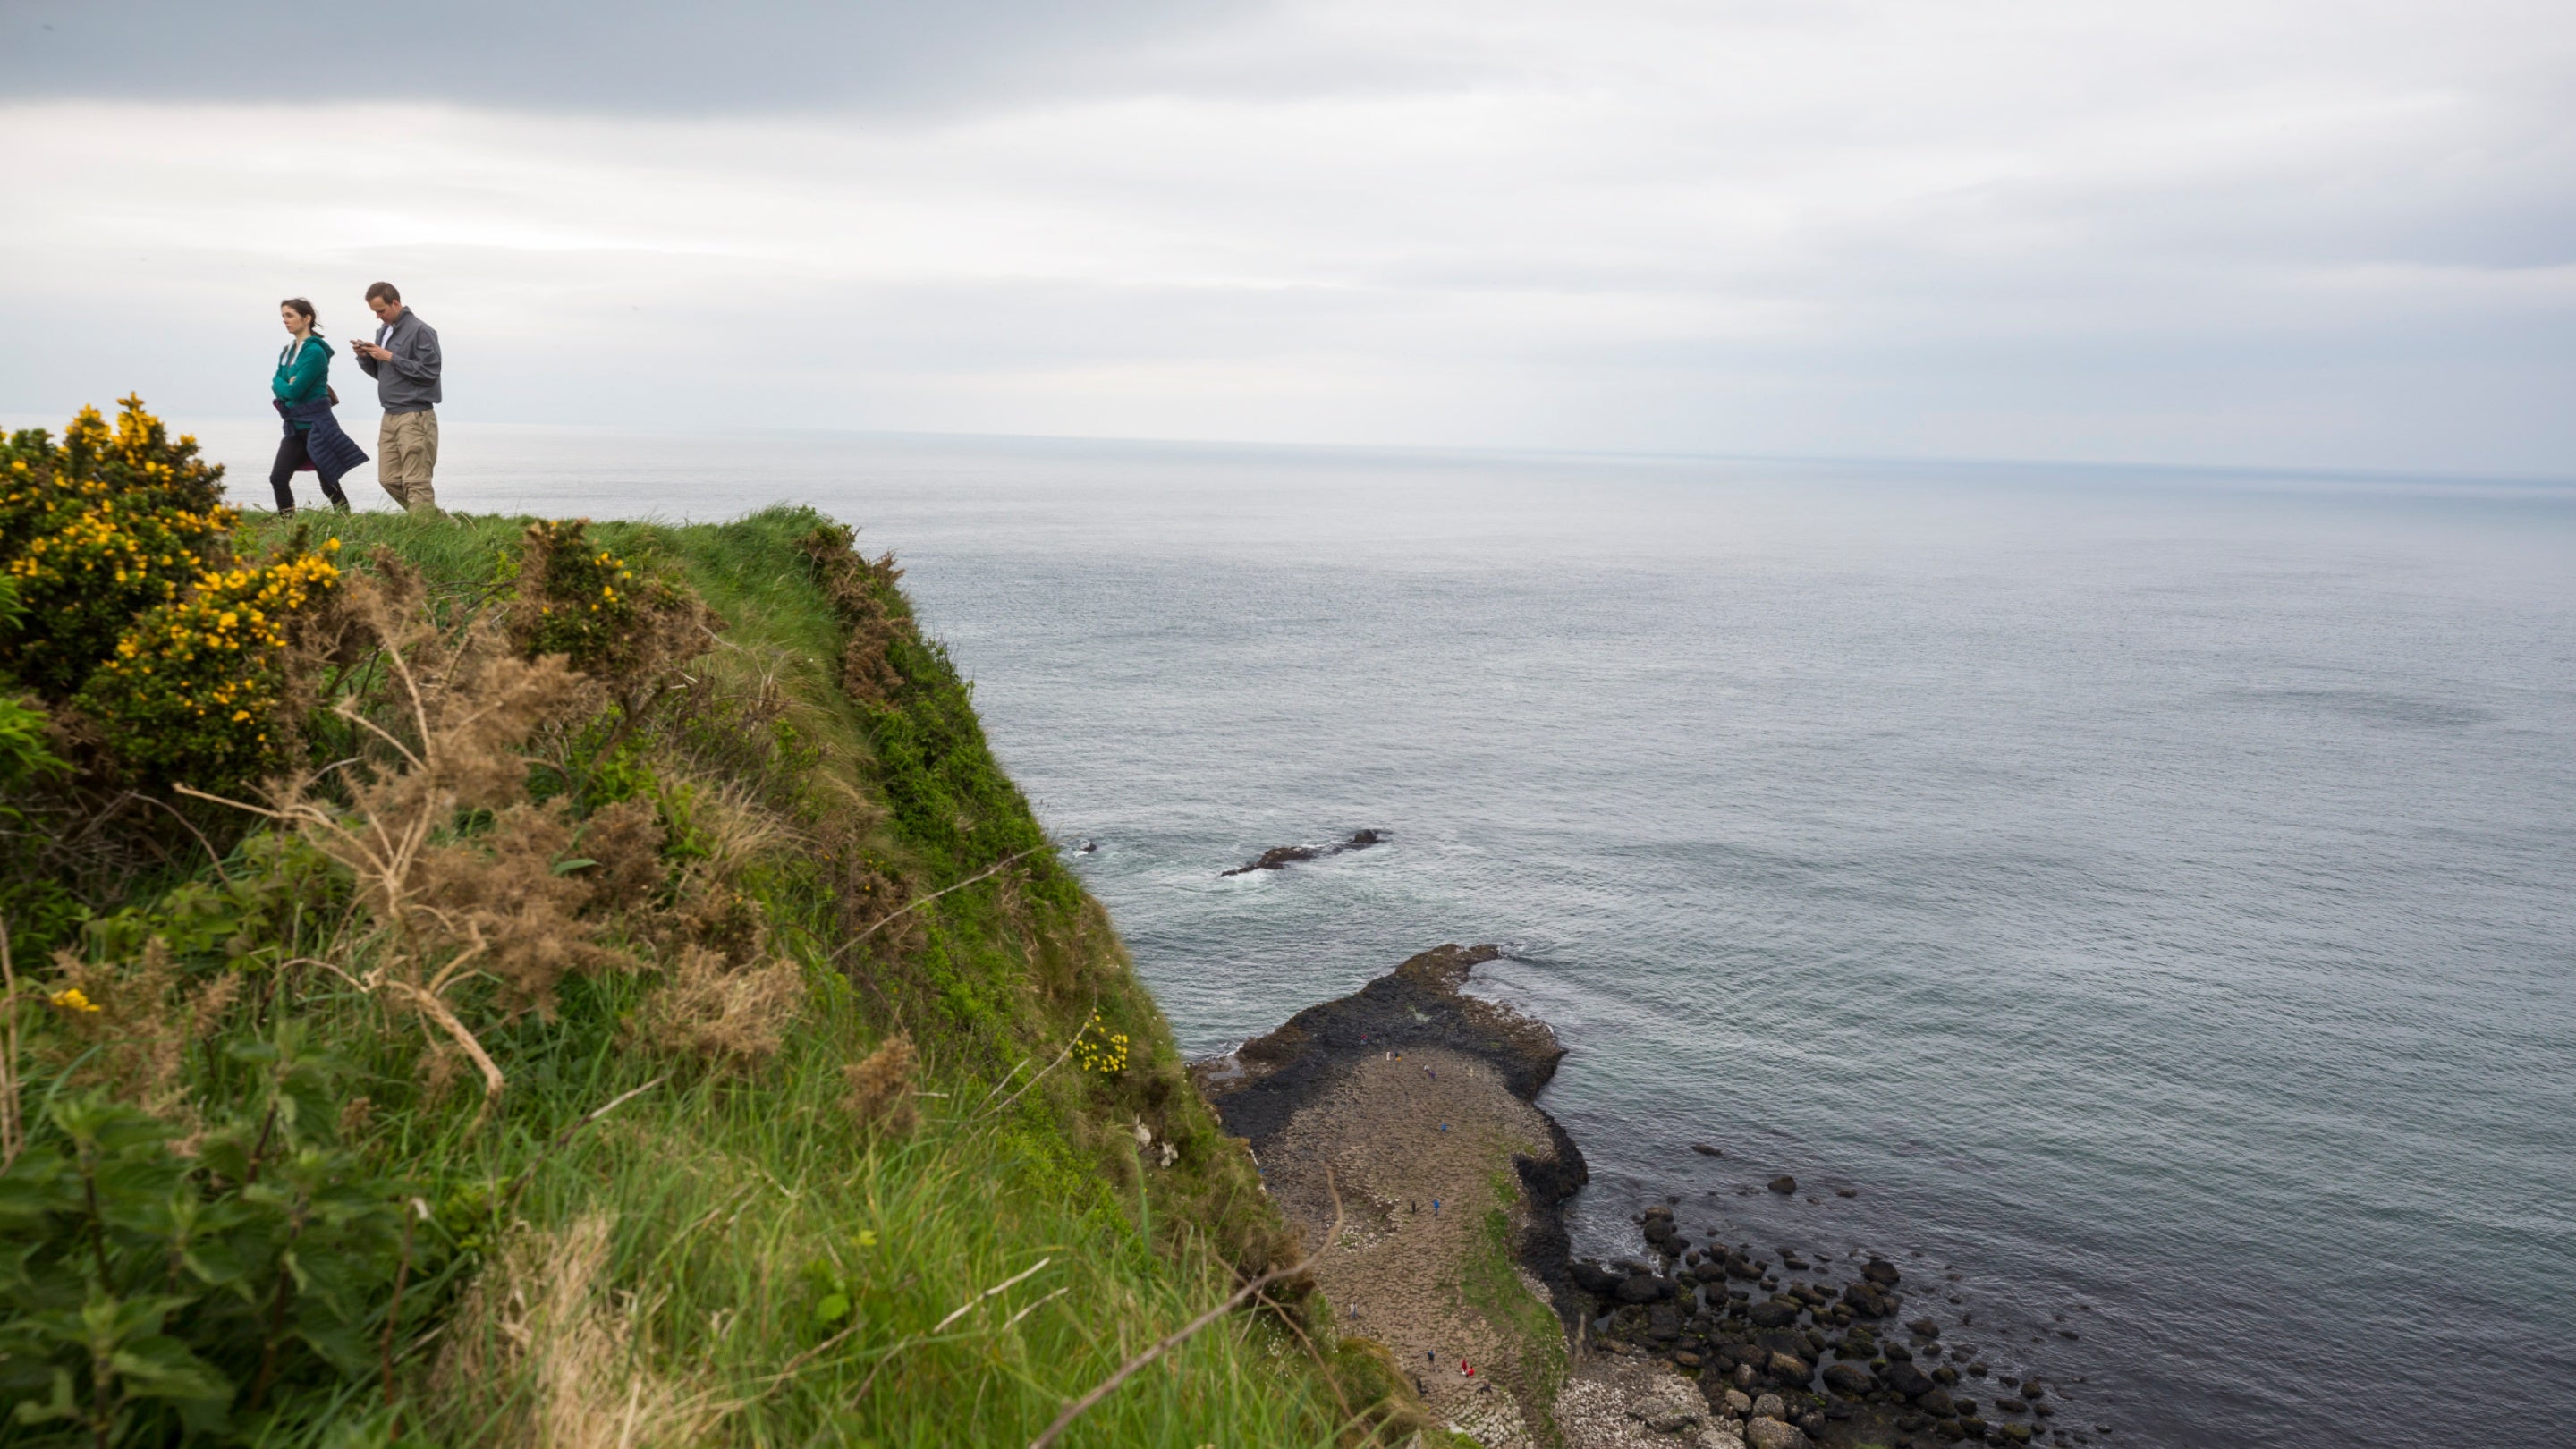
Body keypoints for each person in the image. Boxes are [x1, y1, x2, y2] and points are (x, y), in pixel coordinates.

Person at [353, 281, 443, 513]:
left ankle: (425, 535)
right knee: (389, 479)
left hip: (415, 415)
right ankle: (442, 523)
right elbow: (381, 374)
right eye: (374, 312)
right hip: (390, 415)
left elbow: (430, 373)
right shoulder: (384, 332)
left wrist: (390, 357)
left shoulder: (422, 331)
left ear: (396, 303)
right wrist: (366, 356)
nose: (378, 317)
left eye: (381, 311)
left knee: (416, 482)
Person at [267, 299, 363, 515]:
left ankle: (347, 523)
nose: (285, 320)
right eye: (283, 316)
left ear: (307, 318)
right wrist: (283, 383)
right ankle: (288, 529)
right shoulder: (287, 351)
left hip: (317, 427)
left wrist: (284, 385)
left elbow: (294, 391)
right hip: (294, 428)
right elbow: (276, 382)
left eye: (289, 315)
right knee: (278, 478)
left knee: (328, 484)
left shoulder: (315, 353)